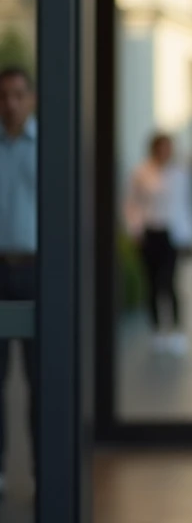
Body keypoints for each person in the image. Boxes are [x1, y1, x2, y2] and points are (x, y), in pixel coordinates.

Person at [123, 132, 192, 355]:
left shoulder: (180, 173)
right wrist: (134, 229)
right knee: (152, 283)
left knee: (170, 282)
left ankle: (176, 329)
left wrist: (190, 235)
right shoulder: (141, 172)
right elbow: (131, 203)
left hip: (172, 234)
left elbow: (187, 205)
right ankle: (156, 328)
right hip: (149, 233)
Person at [0, 66, 38, 497]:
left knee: (38, 376)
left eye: (17, 95)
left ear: (30, 99)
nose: (10, 103)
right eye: (3, 96)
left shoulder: (47, 145)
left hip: (34, 269)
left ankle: (45, 469)